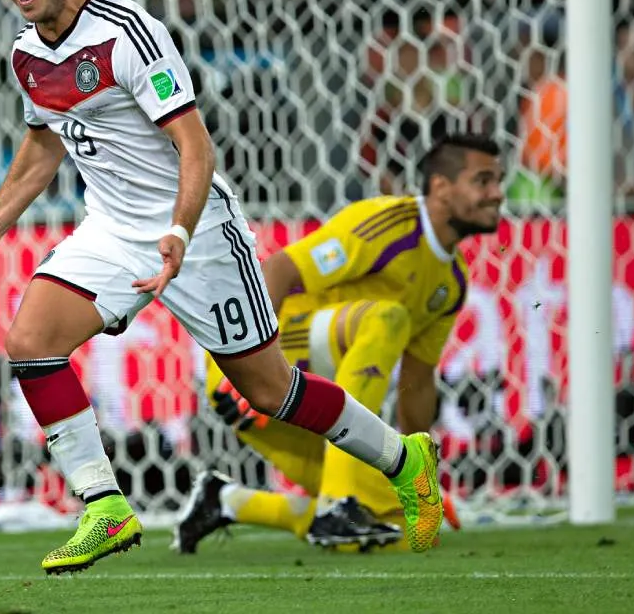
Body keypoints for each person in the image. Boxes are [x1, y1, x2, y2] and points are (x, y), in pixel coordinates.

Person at [0, 0, 445, 575]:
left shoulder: (125, 32)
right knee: (30, 341)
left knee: (269, 391)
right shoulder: (28, 53)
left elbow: (195, 147)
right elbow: (44, 146)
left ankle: (403, 457)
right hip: (112, 230)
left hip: (197, 231)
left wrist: (178, 231)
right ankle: (104, 507)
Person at [173, 133, 503, 553]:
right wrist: (244, 367)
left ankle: (230, 502)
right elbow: (278, 271)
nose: (497, 194)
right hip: (254, 370)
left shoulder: (451, 283)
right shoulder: (388, 226)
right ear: (440, 186)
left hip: (313, 407)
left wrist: (422, 482)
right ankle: (337, 502)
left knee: (407, 535)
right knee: (387, 317)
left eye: (499, 182)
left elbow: (417, 385)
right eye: (483, 181)